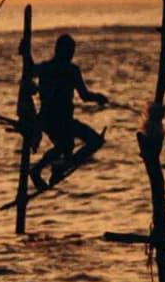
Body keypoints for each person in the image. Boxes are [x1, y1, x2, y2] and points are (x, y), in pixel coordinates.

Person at [27, 32, 107, 185]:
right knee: (94, 141)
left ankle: (42, 169)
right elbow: (84, 95)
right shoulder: (70, 70)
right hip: (60, 120)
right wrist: (99, 98)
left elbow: (29, 70)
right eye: (70, 51)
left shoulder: (45, 68)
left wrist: (26, 52)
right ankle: (59, 167)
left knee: (64, 146)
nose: (71, 54)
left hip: (48, 120)